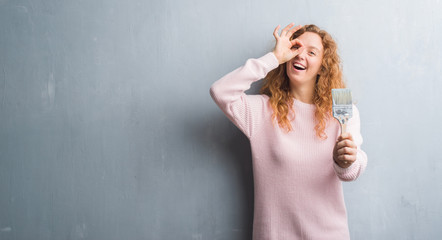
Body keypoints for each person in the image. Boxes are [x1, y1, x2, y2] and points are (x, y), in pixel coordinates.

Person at [209, 23, 368, 240]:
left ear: (323, 66)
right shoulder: (261, 112)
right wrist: (274, 57)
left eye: (312, 52)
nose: (300, 55)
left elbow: (351, 171)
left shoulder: (343, 112)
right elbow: (220, 91)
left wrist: (345, 161)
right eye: (296, 48)